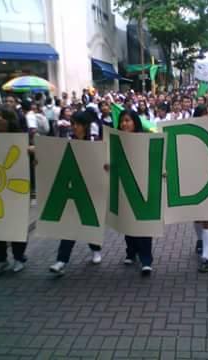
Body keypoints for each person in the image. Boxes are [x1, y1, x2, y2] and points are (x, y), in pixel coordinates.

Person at [49, 110, 104, 276]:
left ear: (85, 126)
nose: (73, 127)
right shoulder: (67, 142)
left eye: (76, 124)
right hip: (72, 190)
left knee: (88, 222)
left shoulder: (95, 142)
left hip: (90, 190)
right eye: (72, 124)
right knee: (70, 227)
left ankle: (96, 250)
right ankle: (61, 261)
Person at [0, 106, 28, 276]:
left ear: (9, 119)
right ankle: (0, 260)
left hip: (15, 187)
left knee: (16, 224)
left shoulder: (20, 139)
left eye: (1, 116)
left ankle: (19, 257)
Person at [115, 109, 154, 276]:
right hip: (124, 186)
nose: (124, 124)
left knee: (143, 225)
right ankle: (131, 252)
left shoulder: (145, 139)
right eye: (122, 121)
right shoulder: (115, 140)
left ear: (135, 122)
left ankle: (146, 260)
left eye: (127, 120)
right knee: (128, 223)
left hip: (143, 187)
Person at [191, 105, 208, 273]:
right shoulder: (190, 132)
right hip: (193, 178)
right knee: (197, 217)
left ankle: (206, 256)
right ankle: (200, 239)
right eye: (205, 113)